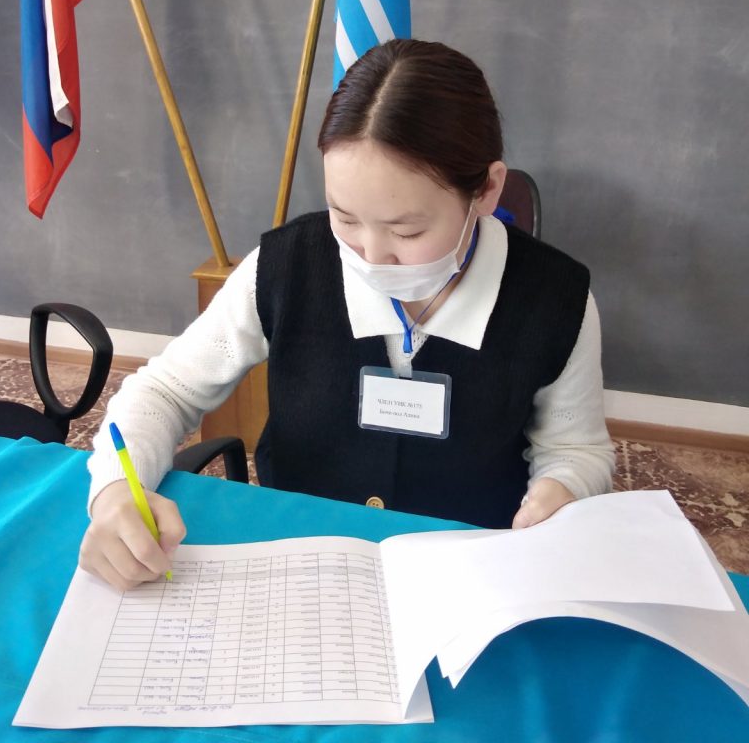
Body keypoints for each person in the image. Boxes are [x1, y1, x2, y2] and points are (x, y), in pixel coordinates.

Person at [80, 38, 615, 591]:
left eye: (407, 230)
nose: (371, 255)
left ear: (486, 190)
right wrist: (117, 490)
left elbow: (576, 449)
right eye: (346, 218)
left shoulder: (556, 299)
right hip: (299, 562)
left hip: (466, 575)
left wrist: (563, 487)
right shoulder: (288, 265)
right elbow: (165, 391)